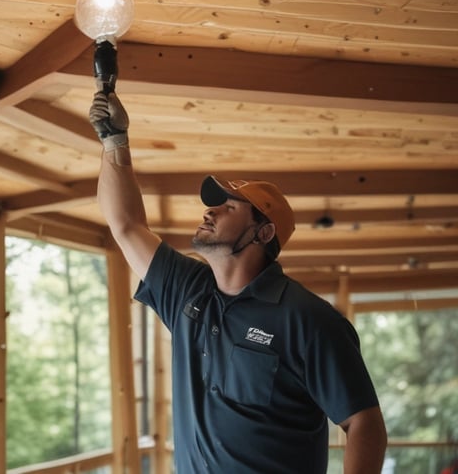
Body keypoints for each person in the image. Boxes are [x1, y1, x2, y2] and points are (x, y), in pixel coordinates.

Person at [89, 90, 388, 473]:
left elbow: (365, 424)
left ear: (263, 235)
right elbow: (126, 225)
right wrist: (115, 141)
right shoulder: (186, 289)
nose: (210, 210)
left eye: (229, 207)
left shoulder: (309, 320)